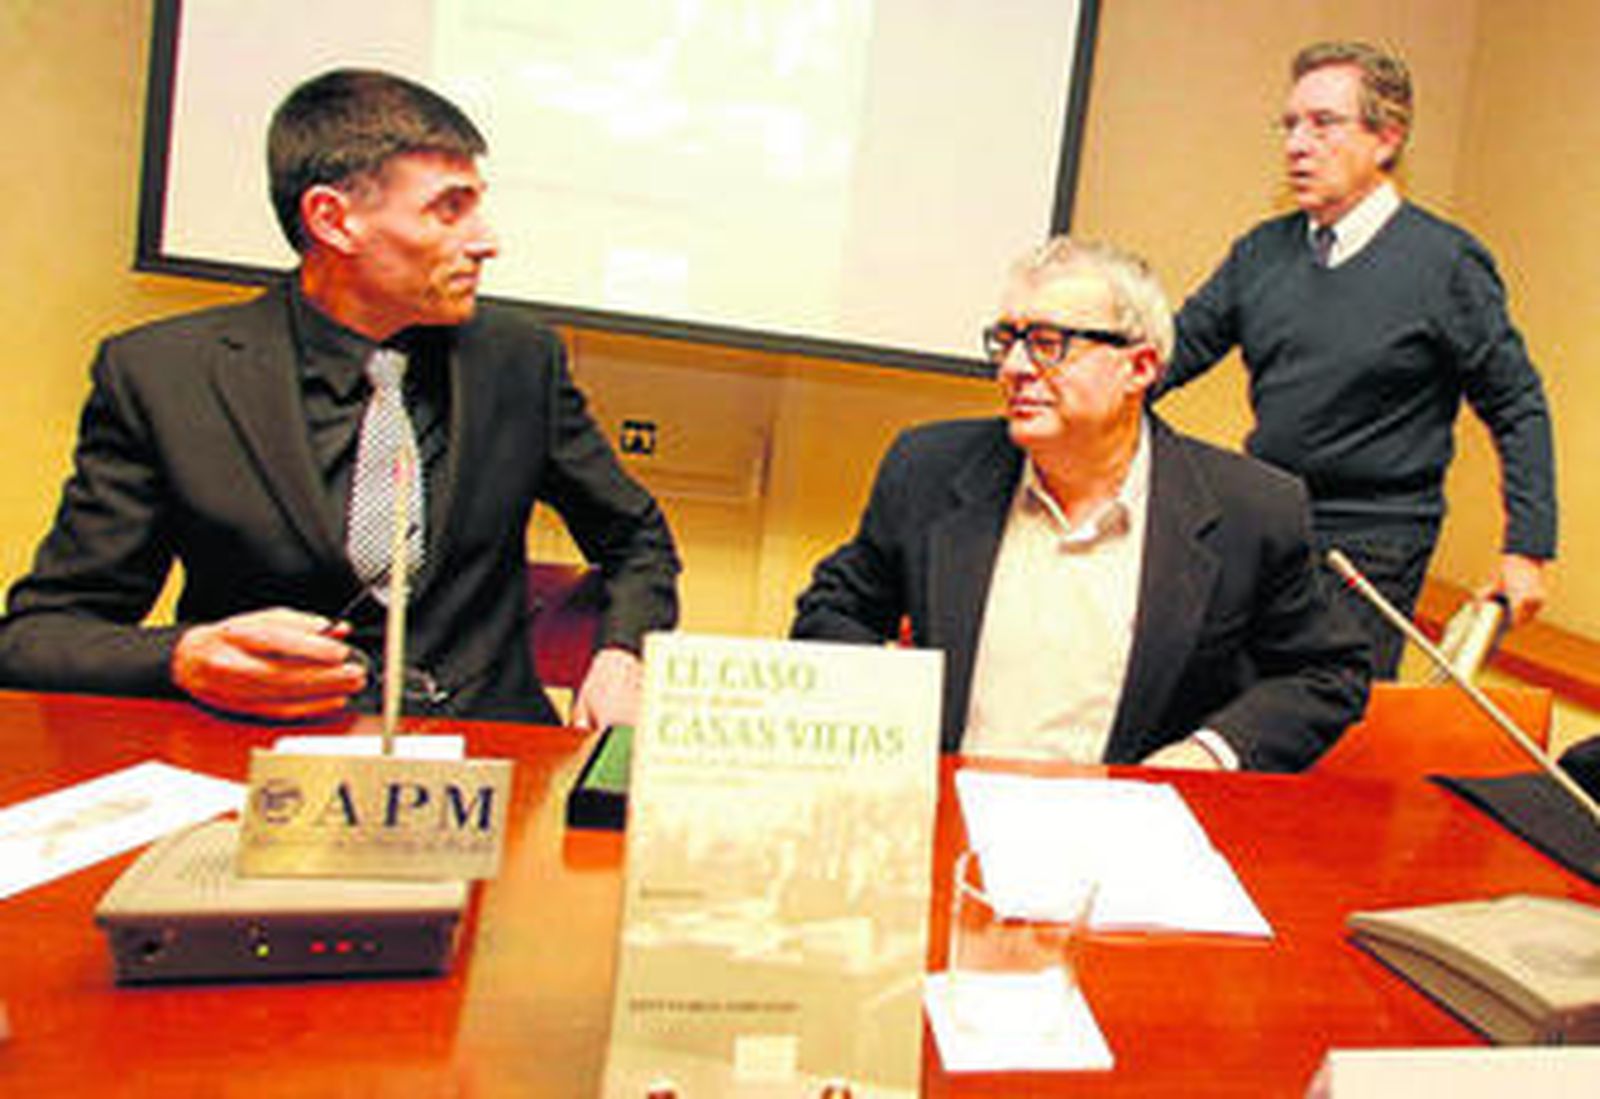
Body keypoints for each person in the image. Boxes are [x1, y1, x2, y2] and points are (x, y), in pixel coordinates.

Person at [0, 69, 679, 729]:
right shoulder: (163, 376)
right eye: (450, 208)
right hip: (260, 762)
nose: (487, 241)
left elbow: (636, 537)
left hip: (490, 765)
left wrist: (623, 654)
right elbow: (39, 635)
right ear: (334, 219)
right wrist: (185, 655)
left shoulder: (519, 361)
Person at [791, 237, 1369, 771]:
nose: (1014, 368)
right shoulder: (928, 469)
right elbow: (832, 611)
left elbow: (1326, 673)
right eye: (1006, 341)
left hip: (1130, 830)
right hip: (950, 810)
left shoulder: (1252, 509)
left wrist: (1209, 754)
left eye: (1047, 344)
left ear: (1138, 368)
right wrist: (889, 703)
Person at [1159, 41, 1557, 678]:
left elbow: (1517, 404)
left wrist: (1528, 550)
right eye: (1289, 124)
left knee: (1327, 731)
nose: (1296, 144)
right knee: (1219, 705)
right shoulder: (1261, 253)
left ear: (1387, 138)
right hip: (1267, 522)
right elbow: (1169, 356)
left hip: (1372, 546)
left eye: (1323, 123)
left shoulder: (1445, 263)